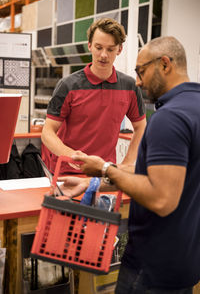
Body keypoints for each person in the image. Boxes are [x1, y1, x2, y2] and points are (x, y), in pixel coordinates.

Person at [58, 36, 200, 293]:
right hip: (185, 262)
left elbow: (161, 198)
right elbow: (156, 174)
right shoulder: (194, 108)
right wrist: (93, 181)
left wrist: (104, 168)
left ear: (165, 64)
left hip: (151, 266)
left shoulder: (169, 118)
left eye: (141, 70)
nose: (138, 80)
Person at [41, 18, 146, 175]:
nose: (103, 55)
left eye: (110, 49)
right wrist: (73, 156)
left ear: (119, 49)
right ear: (89, 45)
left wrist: (127, 163)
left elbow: (141, 127)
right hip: (68, 172)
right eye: (98, 47)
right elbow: (47, 132)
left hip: (105, 173)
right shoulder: (68, 85)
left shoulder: (129, 86)